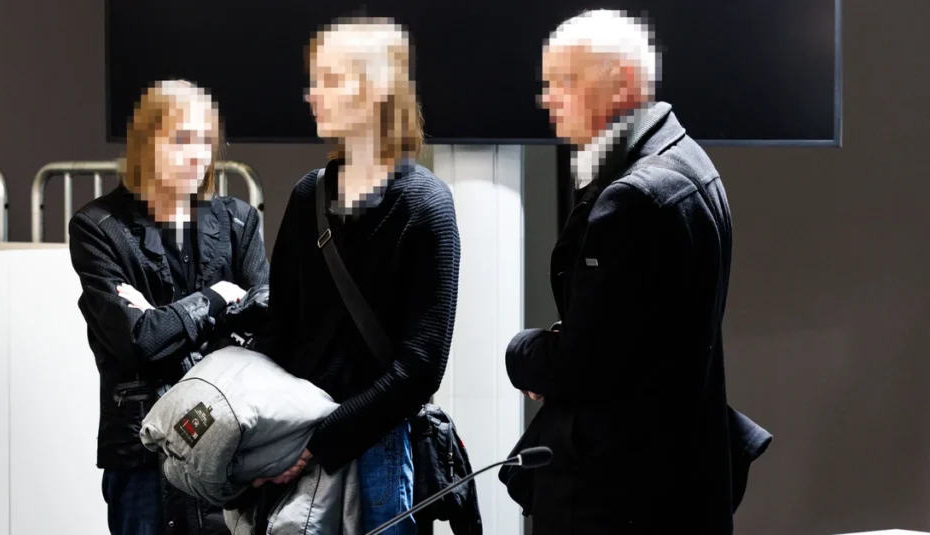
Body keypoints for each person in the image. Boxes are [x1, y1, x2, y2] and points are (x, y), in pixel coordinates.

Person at [504, 10, 741, 534]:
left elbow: (582, 366)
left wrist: (522, 352)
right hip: (676, 482)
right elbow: (641, 331)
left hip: (618, 497)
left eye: (564, 81)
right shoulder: (691, 162)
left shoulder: (632, 197)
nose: (547, 99)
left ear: (623, 82)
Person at [253, 18, 461, 535]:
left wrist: (319, 443)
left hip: (377, 450)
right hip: (295, 438)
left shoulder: (426, 205)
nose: (311, 95)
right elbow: (279, 327)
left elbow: (420, 367)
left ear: (376, 90)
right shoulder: (309, 195)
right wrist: (270, 434)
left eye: (329, 79)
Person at [68, 79, 270, 535]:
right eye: (180, 140)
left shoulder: (238, 220)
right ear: (145, 143)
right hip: (143, 452)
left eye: (204, 140)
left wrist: (163, 319)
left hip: (228, 444)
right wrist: (217, 298)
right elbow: (138, 342)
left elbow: (265, 332)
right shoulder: (98, 227)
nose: (196, 155)